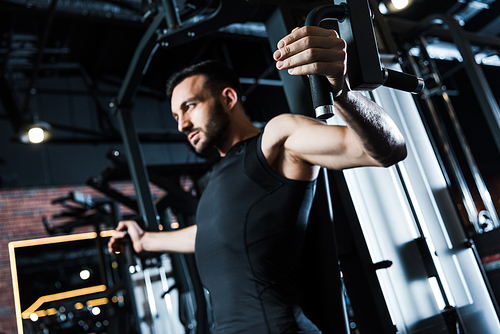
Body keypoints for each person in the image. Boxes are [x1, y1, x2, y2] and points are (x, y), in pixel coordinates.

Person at [108, 26, 407, 333]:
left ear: (227, 98)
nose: (183, 124)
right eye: (176, 116)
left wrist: (342, 91)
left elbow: (388, 150)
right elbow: (206, 235)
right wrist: (145, 240)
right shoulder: (217, 180)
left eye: (189, 107)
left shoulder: (275, 139)